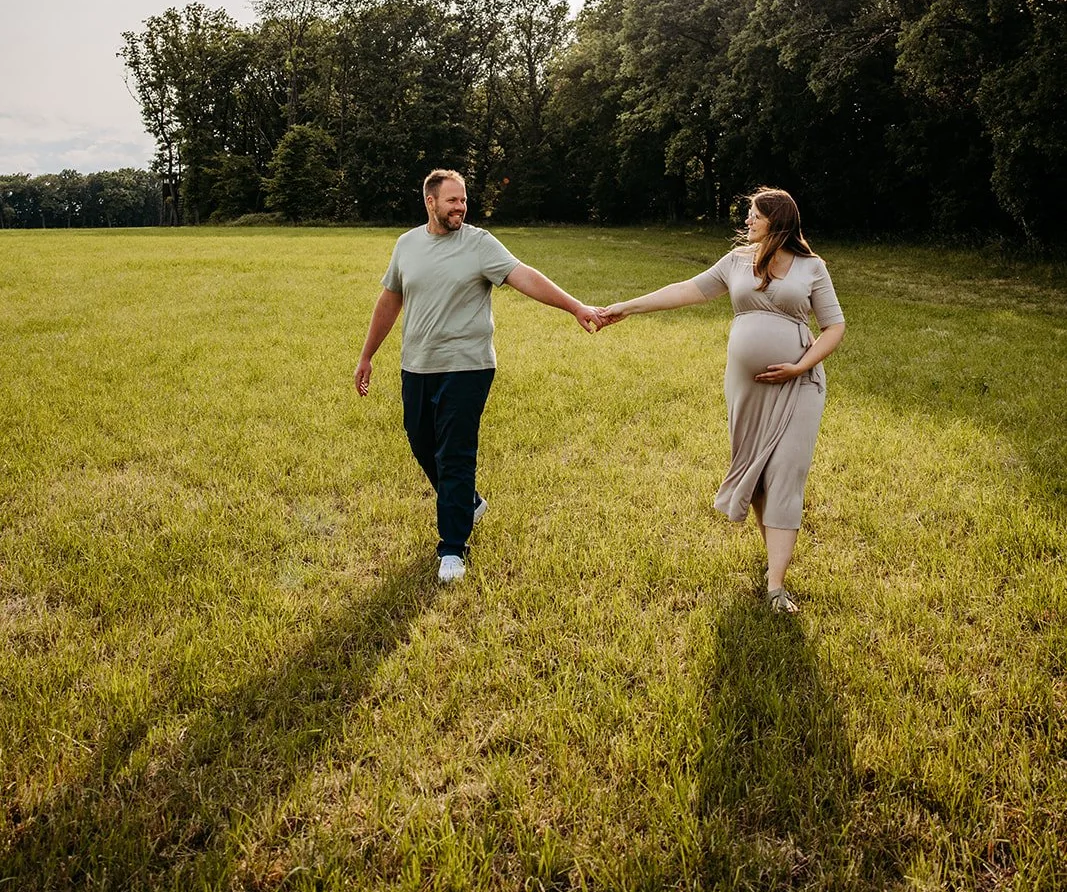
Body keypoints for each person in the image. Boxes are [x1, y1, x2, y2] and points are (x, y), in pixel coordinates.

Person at [596, 187, 845, 613]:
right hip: (746, 388)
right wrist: (627, 307)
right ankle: (773, 564)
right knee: (761, 473)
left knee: (787, 470)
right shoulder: (736, 262)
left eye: (754, 214)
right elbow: (685, 291)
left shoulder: (811, 267)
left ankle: (777, 586)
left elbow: (834, 327)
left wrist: (799, 367)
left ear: (777, 220)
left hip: (798, 386)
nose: (747, 221)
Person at [355, 168, 599, 583]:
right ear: (430, 201)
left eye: (463, 200)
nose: (461, 207)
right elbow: (390, 301)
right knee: (420, 439)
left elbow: (526, 277)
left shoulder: (480, 244)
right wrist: (367, 356)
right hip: (417, 364)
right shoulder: (407, 244)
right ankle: (467, 500)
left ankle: (452, 548)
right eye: (452, 200)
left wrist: (575, 306)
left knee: (454, 452)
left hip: (468, 365)